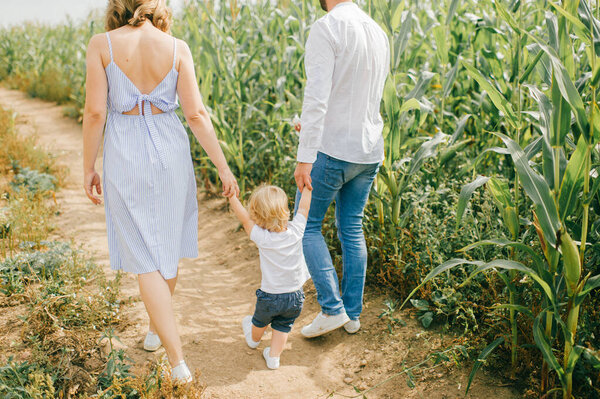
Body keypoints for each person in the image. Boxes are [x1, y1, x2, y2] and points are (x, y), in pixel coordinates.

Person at [82, 0, 238, 382]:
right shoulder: (177, 48)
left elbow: (95, 112)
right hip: (170, 148)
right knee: (166, 246)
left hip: (125, 153)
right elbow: (197, 114)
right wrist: (222, 165)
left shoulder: (102, 44)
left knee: (143, 255)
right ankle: (157, 327)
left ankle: (178, 361)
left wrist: (88, 165)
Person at [293, 0, 390, 338]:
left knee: (306, 226)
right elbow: (360, 97)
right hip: (367, 150)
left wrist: (306, 156)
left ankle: (332, 309)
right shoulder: (377, 31)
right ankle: (351, 314)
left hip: (331, 150)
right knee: (351, 227)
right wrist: (308, 128)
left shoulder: (327, 27)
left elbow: (318, 96)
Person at [228, 185, 312, 369]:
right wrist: (307, 188)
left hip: (270, 297)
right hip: (295, 296)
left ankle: (253, 339)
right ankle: (274, 358)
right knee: (283, 326)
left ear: (257, 217)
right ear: (287, 210)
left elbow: (243, 218)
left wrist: (232, 197)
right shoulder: (296, 230)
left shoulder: (262, 237)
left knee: (259, 321)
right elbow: (304, 208)